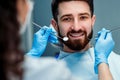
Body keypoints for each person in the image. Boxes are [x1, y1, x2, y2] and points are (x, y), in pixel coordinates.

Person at [0, 0, 114, 80]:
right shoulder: (47, 72)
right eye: (67, 19)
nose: (76, 27)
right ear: (55, 25)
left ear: (92, 21)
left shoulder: (117, 61)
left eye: (83, 17)